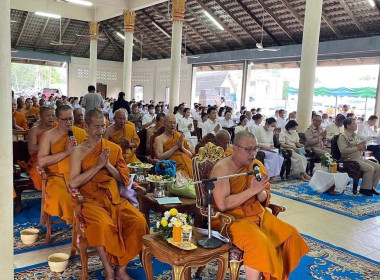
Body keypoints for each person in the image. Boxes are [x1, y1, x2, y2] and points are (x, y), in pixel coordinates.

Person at [211, 131, 309, 280]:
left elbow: (263, 198)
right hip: (231, 219)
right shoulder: (222, 169)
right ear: (236, 148)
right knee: (259, 243)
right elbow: (223, 205)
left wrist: (259, 190)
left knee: (291, 234)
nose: (253, 153)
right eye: (248, 149)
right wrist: (252, 191)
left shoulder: (256, 165)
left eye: (255, 148)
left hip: (257, 213)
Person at [69, 110, 148, 280]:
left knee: (139, 222)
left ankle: (121, 269)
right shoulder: (78, 151)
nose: (99, 130)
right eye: (96, 127)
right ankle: (109, 270)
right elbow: (74, 183)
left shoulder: (113, 148)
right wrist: (97, 166)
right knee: (103, 225)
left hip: (114, 198)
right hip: (90, 200)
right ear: (86, 126)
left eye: (102, 127)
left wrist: (108, 166)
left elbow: (124, 179)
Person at [37, 105, 87, 224]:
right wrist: (66, 152)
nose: (69, 122)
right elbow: (42, 161)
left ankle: (89, 226)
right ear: (57, 119)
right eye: (65, 119)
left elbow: (89, 154)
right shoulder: (48, 136)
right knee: (64, 198)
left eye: (71, 118)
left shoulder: (80, 133)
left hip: (78, 175)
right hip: (56, 177)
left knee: (95, 195)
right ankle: (79, 227)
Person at [338, 118, 380, 196]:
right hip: (350, 159)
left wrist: (363, 145)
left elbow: (360, 146)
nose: (356, 126)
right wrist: (357, 147)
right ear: (348, 126)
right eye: (354, 124)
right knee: (370, 168)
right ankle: (364, 189)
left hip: (360, 157)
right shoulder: (343, 136)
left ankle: (372, 188)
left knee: (378, 167)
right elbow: (343, 151)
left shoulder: (355, 135)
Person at [27, 106, 56, 190]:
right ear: (41, 116)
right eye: (48, 115)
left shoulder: (58, 127)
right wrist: (47, 143)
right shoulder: (34, 130)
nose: (51, 118)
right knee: (41, 174)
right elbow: (31, 151)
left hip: (56, 158)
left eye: (53, 115)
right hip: (39, 160)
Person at [256, 117, 284, 182]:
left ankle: (273, 175)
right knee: (274, 156)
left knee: (279, 157)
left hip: (269, 150)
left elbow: (271, 143)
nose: (273, 128)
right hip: (260, 149)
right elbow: (255, 143)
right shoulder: (259, 130)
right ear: (267, 124)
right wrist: (265, 147)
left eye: (274, 126)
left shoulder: (271, 131)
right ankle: (268, 176)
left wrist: (272, 147)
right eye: (272, 126)